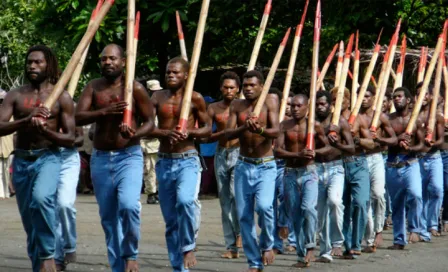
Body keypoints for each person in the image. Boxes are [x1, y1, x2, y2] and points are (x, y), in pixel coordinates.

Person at [75, 44, 154, 272]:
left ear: (123, 62)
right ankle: (117, 267)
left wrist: (135, 133)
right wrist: (103, 113)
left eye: (112, 59)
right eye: (103, 59)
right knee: (108, 217)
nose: (107, 63)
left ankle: (130, 254)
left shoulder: (135, 89)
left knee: (129, 206)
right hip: (100, 158)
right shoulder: (94, 87)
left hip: (128, 156)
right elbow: (78, 117)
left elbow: (149, 121)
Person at [0, 45, 76, 272]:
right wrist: (25, 121)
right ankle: (40, 264)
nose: (32, 66)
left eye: (38, 62)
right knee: (31, 224)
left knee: (42, 200)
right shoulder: (16, 95)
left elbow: (71, 138)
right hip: (22, 161)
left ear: (49, 65)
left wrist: (46, 132)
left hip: (48, 158)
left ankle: (48, 255)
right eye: (29, 62)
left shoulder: (61, 97)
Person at [149, 57, 211, 271]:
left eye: (175, 73)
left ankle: (189, 245)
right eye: (168, 72)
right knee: (171, 221)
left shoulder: (195, 98)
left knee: (185, 202)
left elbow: (207, 129)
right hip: (165, 161)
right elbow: (146, 127)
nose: (171, 76)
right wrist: (165, 133)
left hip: (188, 160)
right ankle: (179, 268)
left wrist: (189, 132)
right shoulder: (157, 97)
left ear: (186, 75)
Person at [225, 70, 279, 272]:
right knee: (244, 216)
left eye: (252, 85)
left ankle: (267, 245)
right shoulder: (237, 105)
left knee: (265, 207)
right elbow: (228, 134)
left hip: (265, 165)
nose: (248, 89)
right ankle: (254, 262)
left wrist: (260, 130)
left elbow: (276, 131)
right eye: (245, 85)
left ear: (261, 86)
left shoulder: (270, 102)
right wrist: (244, 127)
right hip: (243, 165)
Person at [275, 93, 330, 268]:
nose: (295, 109)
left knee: (308, 208)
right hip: (290, 172)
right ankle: (300, 255)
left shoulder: (314, 126)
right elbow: (277, 150)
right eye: (293, 106)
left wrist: (316, 152)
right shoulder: (284, 125)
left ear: (307, 108)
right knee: (295, 215)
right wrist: (297, 154)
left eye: (299, 106)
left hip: (309, 172)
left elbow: (328, 146)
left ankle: (310, 245)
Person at [314, 90, 355, 262]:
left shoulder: (340, 123)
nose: (320, 107)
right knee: (321, 210)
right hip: (315, 168)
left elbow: (351, 148)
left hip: (336, 168)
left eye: (324, 103)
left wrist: (336, 142)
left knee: (335, 202)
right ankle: (325, 250)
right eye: (317, 104)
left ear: (331, 105)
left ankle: (338, 242)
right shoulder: (310, 122)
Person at [331, 87, 371, 259]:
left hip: (358, 164)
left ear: (348, 100)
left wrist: (357, 139)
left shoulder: (358, 119)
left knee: (361, 203)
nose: (337, 104)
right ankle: (347, 246)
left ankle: (356, 243)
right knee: (343, 206)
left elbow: (371, 143)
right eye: (334, 101)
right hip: (338, 165)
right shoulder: (330, 121)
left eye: (340, 100)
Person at [206, 71, 242, 259]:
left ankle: (240, 233)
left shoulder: (244, 107)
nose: (229, 91)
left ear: (238, 90)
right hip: (221, 153)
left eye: (232, 88)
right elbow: (205, 135)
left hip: (239, 154)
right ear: (221, 88)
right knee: (225, 200)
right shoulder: (213, 108)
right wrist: (224, 133)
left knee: (237, 196)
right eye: (226, 87)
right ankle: (231, 244)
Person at [357, 87, 397, 253]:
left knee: (379, 194)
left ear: (373, 98)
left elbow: (393, 138)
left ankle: (379, 229)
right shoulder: (354, 117)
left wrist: (378, 139)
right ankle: (369, 237)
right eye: (361, 96)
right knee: (364, 199)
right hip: (360, 159)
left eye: (367, 96)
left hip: (377, 158)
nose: (364, 99)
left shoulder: (379, 116)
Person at [387, 87, 424, 249]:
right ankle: (398, 240)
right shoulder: (388, 119)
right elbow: (381, 141)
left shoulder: (416, 120)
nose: (396, 99)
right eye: (394, 97)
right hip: (392, 164)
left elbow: (422, 144)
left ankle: (415, 228)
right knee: (396, 204)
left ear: (408, 100)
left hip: (411, 163)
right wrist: (396, 140)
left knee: (416, 195)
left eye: (400, 96)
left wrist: (412, 149)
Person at [415, 83, 444, 241]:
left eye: (425, 94)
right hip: (418, 159)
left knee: (438, 190)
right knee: (421, 194)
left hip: (434, 158)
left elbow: (440, 139)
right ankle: (422, 225)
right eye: (419, 94)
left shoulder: (437, 116)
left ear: (431, 96)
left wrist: (434, 140)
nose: (423, 97)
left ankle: (432, 224)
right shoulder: (413, 116)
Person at [54, 125, 83, 271]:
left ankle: (69, 245)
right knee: (51, 209)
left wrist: (65, 140)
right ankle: (57, 257)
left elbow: (81, 138)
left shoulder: (68, 105)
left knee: (64, 204)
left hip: (68, 157)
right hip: (46, 156)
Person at [142, 79, 162, 204]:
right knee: (150, 170)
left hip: (160, 143)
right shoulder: (144, 106)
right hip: (148, 144)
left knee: (159, 169)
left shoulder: (159, 104)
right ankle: (151, 193)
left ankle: (158, 192)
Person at [0, 90, 14, 199]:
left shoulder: (12, 115)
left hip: (10, 148)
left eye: (2, 100)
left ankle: (7, 192)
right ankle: (2, 193)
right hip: (1, 148)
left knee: (7, 171)